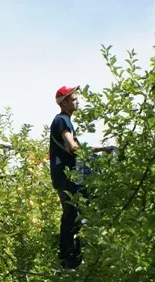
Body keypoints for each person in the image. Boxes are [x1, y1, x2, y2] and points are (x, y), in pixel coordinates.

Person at [49, 85, 114, 269]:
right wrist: (102, 149)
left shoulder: (63, 121)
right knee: (72, 213)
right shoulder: (62, 120)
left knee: (73, 213)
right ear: (65, 102)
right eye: (74, 98)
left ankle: (70, 255)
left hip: (63, 176)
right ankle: (69, 255)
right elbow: (73, 147)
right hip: (66, 176)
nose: (78, 101)